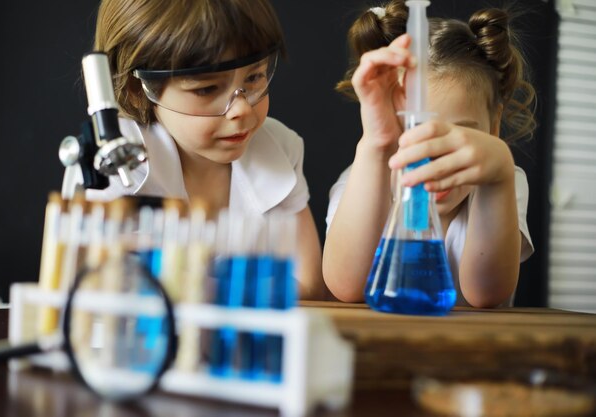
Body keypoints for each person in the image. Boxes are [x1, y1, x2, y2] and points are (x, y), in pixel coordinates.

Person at [61, 0, 324, 299]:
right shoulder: (116, 160)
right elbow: (94, 288)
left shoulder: (278, 146)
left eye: (253, 78)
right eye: (207, 89)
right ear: (138, 90)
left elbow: (309, 283)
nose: (240, 108)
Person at [323, 1, 536, 308]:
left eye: (457, 136)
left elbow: (486, 295)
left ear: (494, 126)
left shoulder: (503, 181)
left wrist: (499, 172)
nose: (432, 162)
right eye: (411, 134)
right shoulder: (360, 181)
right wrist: (376, 144)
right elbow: (347, 287)